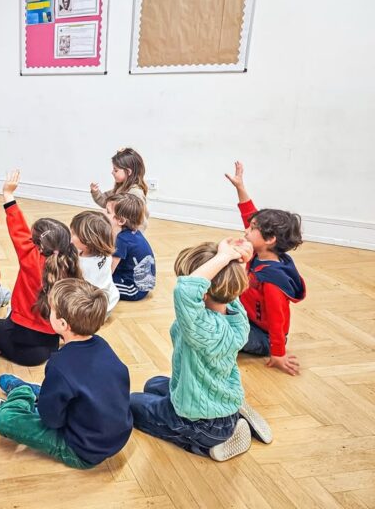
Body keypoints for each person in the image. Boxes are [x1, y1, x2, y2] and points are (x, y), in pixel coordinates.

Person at [130, 238, 273, 462]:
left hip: (201, 422)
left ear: (203, 292)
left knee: (130, 403)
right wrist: (235, 260)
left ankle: (210, 445)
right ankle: (233, 415)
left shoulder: (202, 327)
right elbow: (228, 288)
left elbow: (186, 291)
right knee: (153, 384)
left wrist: (224, 257)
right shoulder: (235, 316)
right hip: (216, 400)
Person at [0, 279, 132, 469]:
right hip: (113, 436)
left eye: (52, 311)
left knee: (4, 420)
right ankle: (29, 392)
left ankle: (22, 393)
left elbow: (51, 420)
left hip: (82, 450)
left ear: (63, 323)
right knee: (63, 390)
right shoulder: (102, 344)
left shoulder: (59, 365)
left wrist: (41, 410)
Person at [0, 170, 83, 366]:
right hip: (50, 346)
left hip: (20, 347)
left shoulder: (31, 259)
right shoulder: (71, 263)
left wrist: (8, 194)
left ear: (37, 246)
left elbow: (18, 230)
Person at [225, 161, 306, 376]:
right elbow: (250, 215)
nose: (245, 231)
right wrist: (240, 188)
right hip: (247, 318)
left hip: (264, 337)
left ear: (270, 239)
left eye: (252, 230)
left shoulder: (272, 279)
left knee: (217, 330)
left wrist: (278, 353)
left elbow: (277, 319)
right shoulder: (262, 251)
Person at [106, 193, 156, 301]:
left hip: (134, 289)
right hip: (141, 282)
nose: (103, 213)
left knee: (99, 284)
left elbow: (109, 270)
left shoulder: (122, 240)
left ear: (121, 220)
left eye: (108, 212)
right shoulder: (131, 232)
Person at [70, 211, 119, 315]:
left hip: (96, 311)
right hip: (110, 300)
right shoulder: (105, 253)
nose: (70, 235)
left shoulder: (82, 265)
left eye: (73, 233)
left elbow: (80, 292)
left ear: (88, 243)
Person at [90, 147, 149, 232]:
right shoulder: (120, 188)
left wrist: (133, 237)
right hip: (116, 231)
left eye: (115, 170)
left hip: (126, 237)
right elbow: (105, 202)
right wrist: (96, 192)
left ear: (128, 172)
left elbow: (141, 222)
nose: (112, 172)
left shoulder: (136, 193)